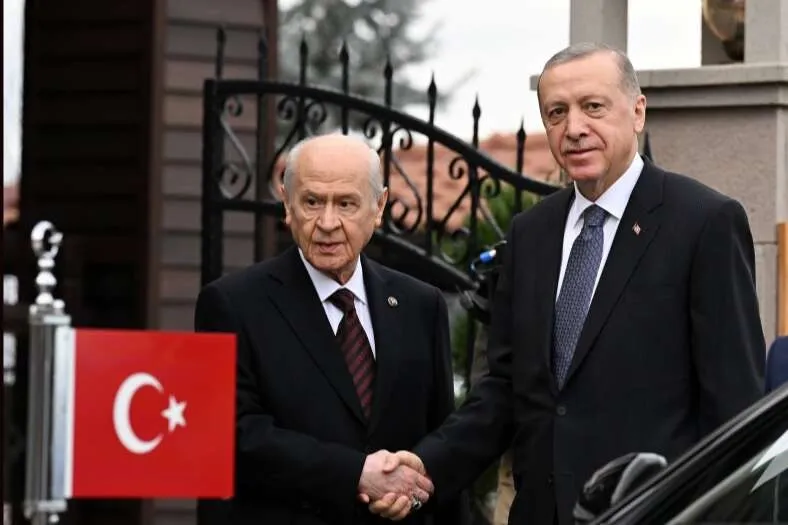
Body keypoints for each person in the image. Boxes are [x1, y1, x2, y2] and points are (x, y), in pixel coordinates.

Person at [365, 42, 766, 525]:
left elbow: (734, 410)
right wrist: (425, 468)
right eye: (557, 112)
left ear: (637, 112)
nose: (573, 128)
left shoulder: (704, 223)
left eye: (593, 107)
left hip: (652, 513)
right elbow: (506, 390)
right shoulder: (530, 233)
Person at [194, 133, 468, 525]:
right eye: (311, 202)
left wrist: (413, 496)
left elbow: (439, 440)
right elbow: (235, 434)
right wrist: (355, 474)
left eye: (345, 203)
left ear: (378, 207)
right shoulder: (233, 304)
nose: (326, 223)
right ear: (287, 205)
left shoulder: (420, 304)